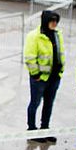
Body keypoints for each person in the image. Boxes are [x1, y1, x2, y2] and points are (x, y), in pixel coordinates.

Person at [24, 10, 64, 142]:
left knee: (49, 104)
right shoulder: (34, 36)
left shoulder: (57, 35)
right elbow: (30, 57)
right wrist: (35, 75)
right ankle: (31, 130)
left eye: (56, 21)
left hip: (54, 78)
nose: (54, 24)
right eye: (51, 21)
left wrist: (60, 72)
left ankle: (44, 129)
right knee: (35, 103)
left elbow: (60, 53)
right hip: (40, 79)